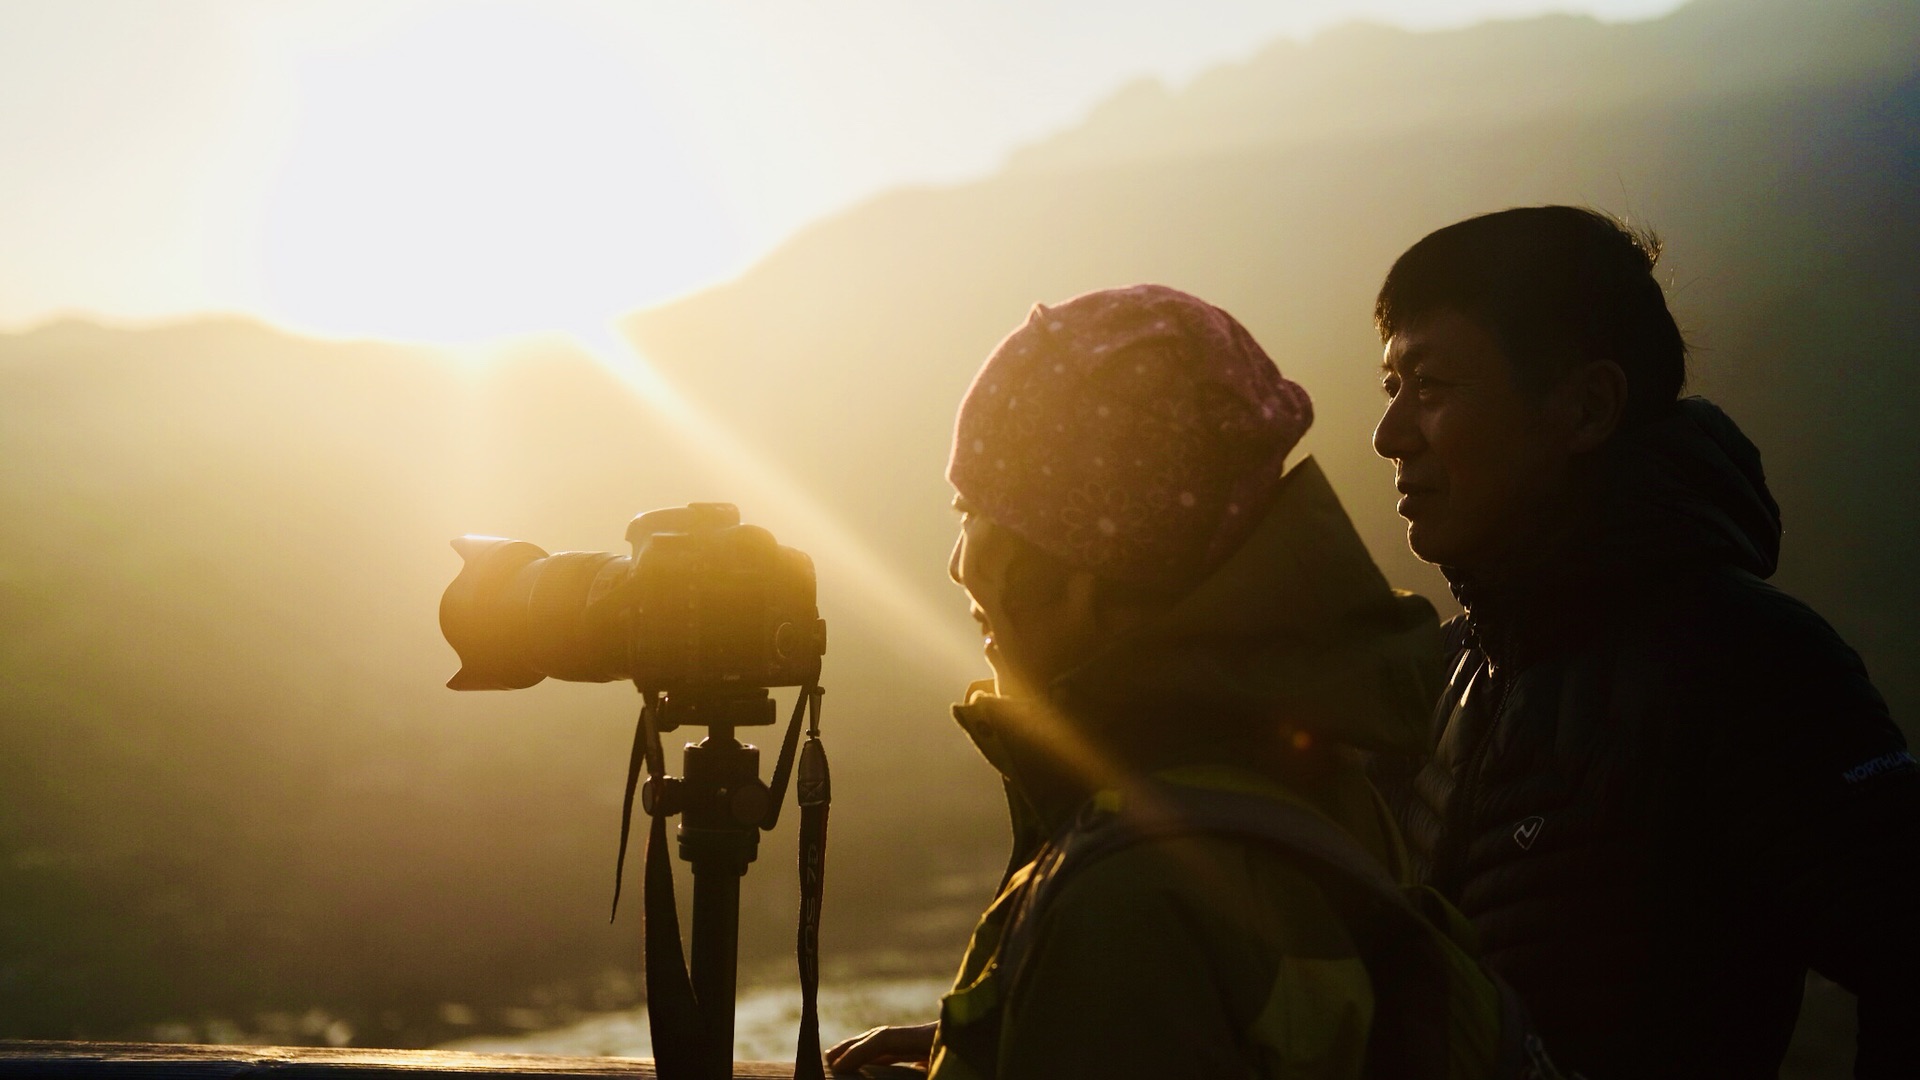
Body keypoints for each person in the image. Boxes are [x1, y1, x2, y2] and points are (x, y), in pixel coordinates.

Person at [826, 285, 1481, 1078]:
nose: (958, 565)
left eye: (971, 509)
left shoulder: (1128, 907)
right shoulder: (1325, 786)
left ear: (1075, 576)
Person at [1367, 206, 1920, 1078]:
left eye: (1430, 390)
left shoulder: (1746, 663)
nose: (1390, 436)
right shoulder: (1456, 666)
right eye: (1390, 388)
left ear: (1589, 407)